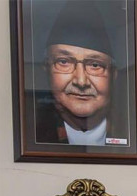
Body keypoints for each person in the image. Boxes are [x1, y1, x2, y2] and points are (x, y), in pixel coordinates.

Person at [35, 0, 125, 146]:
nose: (81, 81)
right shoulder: (31, 134)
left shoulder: (131, 131)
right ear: (47, 69)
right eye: (64, 62)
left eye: (95, 65)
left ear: (113, 75)